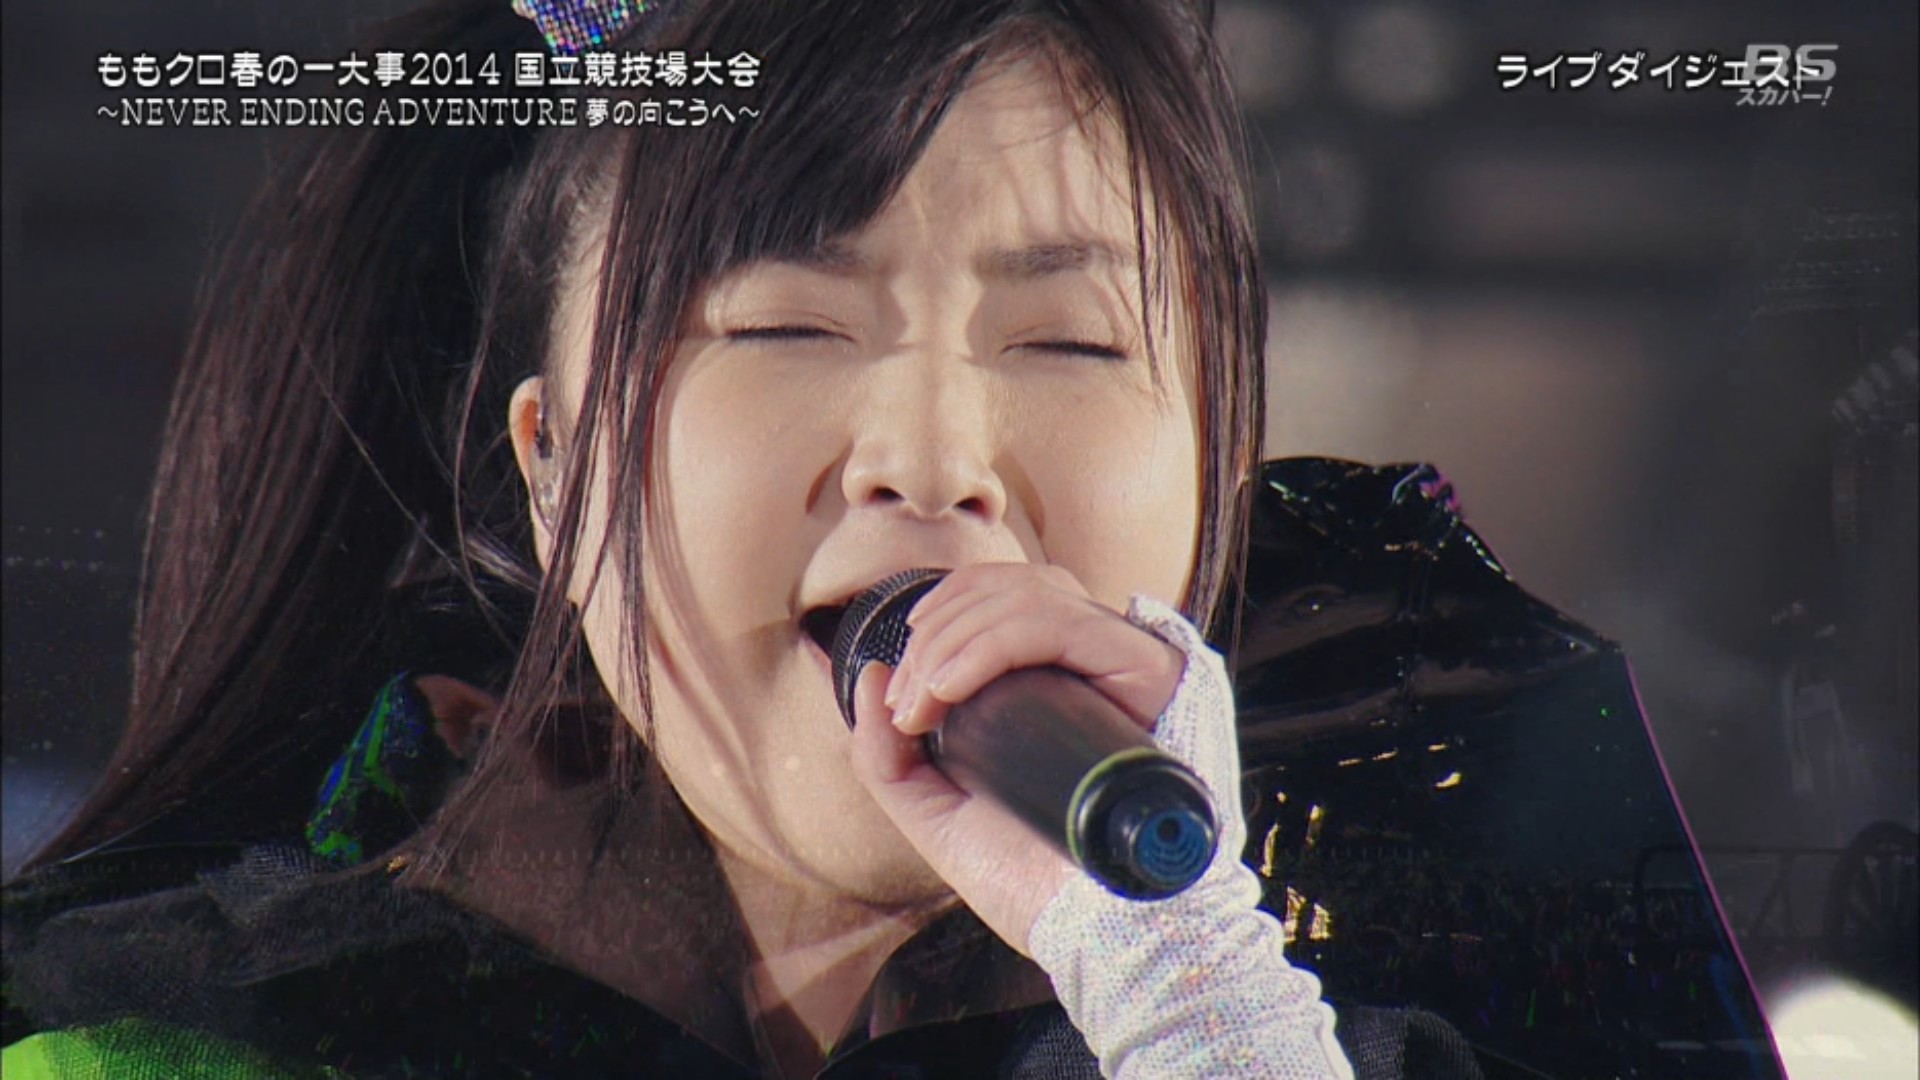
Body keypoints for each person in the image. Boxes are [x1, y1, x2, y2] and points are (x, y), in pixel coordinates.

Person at [1, 0, 1368, 1076]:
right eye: (784, 323)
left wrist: (1192, 999)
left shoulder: (1383, 1019)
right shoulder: (170, 1051)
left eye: (1072, 342)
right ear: (552, 464)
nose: (933, 461)